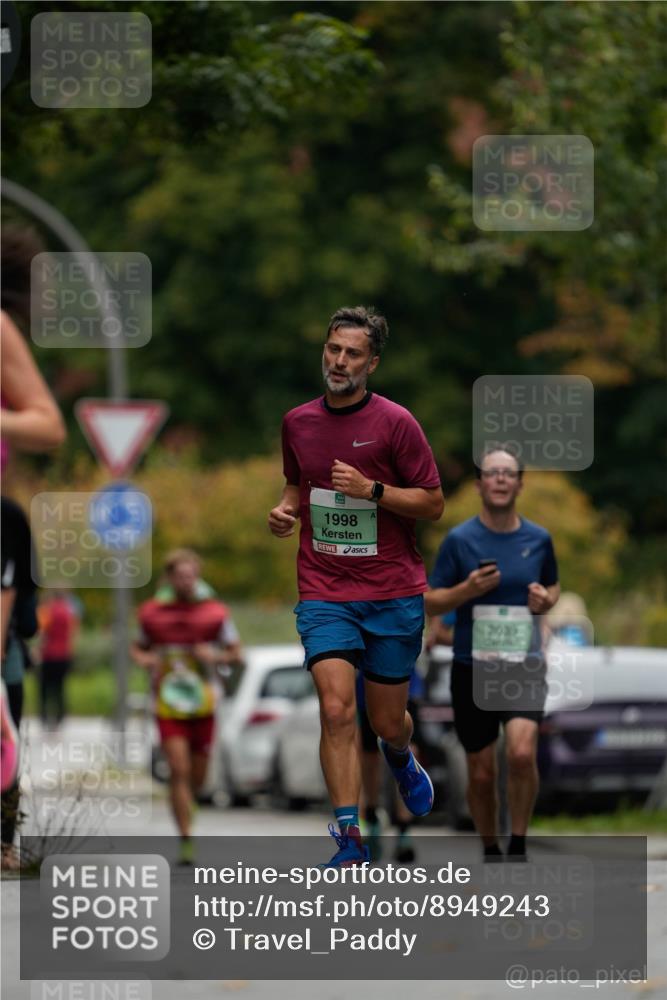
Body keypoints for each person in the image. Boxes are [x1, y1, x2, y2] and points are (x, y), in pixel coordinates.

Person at [269, 305, 444, 867]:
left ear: (372, 362)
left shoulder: (396, 423)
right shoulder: (297, 421)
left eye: (352, 354)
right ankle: (350, 836)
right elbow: (297, 487)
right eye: (332, 349)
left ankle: (400, 755)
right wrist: (282, 511)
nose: (339, 361)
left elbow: (433, 503)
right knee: (336, 708)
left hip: (392, 591)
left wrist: (373, 491)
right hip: (324, 589)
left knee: (385, 719)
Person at [426, 448, 560, 861]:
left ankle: (517, 842)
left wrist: (544, 600)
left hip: (522, 666)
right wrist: (466, 591)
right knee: (482, 773)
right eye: (492, 473)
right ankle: (489, 845)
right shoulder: (460, 540)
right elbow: (430, 602)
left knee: (521, 753)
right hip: (473, 668)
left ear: (519, 484)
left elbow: (552, 587)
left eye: (509, 474)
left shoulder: (538, 540)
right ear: (480, 483)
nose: (500, 479)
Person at [131, 549, 242, 865]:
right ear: (170, 578)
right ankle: (186, 836)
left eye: (191, 575)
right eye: (180, 576)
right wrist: (147, 659)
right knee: (177, 768)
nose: (186, 581)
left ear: (198, 576)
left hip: (204, 701)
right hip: (167, 702)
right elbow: (137, 648)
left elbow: (237, 653)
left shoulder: (215, 613)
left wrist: (216, 657)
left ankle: (188, 802)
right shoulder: (152, 613)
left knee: (198, 775)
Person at [38, 589, 80, 730]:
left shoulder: (47, 611)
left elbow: (42, 632)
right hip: (63, 654)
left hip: (48, 654)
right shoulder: (69, 612)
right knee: (60, 688)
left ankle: (44, 716)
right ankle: (60, 717)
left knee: (45, 688)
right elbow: (73, 633)